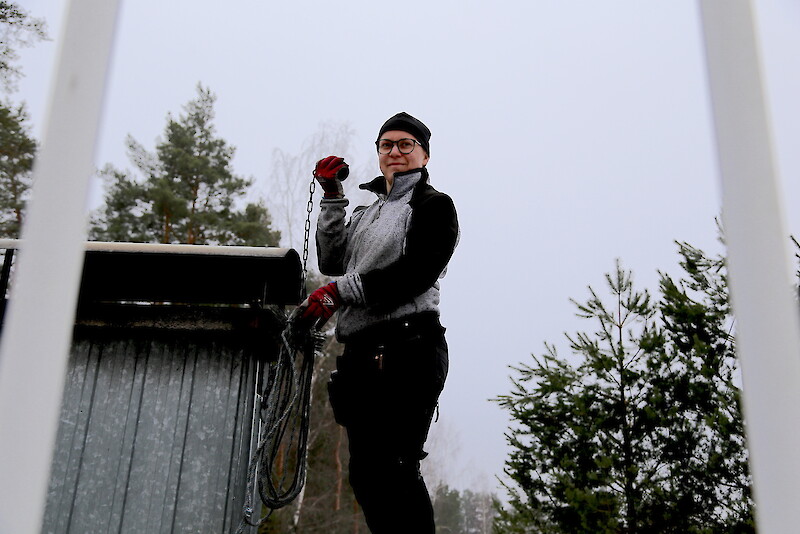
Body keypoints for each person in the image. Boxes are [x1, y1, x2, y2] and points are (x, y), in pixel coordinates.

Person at [295, 112, 459, 533]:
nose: (395, 152)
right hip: (361, 357)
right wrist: (333, 195)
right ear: (378, 154)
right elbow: (332, 261)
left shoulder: (433, 207)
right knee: (366, 477)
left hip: (408, 350)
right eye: (386, 145)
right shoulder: (368, 212)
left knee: (396, 469)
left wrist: (337, 293)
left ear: (424, 154)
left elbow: (414, 275)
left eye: (406, 144)